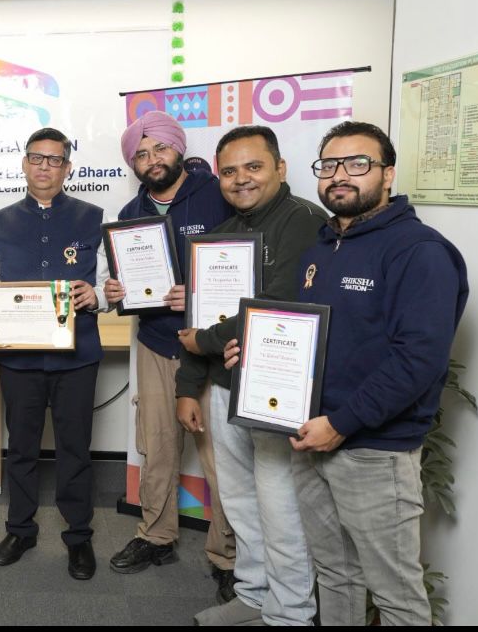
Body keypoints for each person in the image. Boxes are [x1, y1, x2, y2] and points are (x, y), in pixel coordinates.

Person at [289, 121, 468, 625]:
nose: (340, 175)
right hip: (311, 438)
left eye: (357, 163)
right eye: (329, 165)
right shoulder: (321, 249)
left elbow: (418, 359)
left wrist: (341, 423)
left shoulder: (420, 251)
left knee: (396, 596)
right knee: (335, 575)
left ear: (387, 175)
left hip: (373, 450)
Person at [175, 126, 328, 626]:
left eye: (254, 167)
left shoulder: (304, 220)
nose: (241, 179)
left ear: (280, 168)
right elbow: (199, 318)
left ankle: (290, 613)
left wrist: (205, 340)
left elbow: (279, 305)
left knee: (280, 507)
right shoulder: (221, 234)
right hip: (224, 389)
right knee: (239, 501)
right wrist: (188, 386)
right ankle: (254, 594)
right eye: (229, 171)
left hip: (274, 391)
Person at [108, 111, 237, 600]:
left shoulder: (218, 194)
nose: (152, 159)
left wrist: (199, 295)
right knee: (157, 445)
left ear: (178, 148)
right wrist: (117, 292)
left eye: (159, 148)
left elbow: (244, 266)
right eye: (141, 154)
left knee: (222, 456)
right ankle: (156, 536)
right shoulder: (129, 214)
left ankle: (227, 556)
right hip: (157, 343)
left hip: (214, 347)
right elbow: (128, 285)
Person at [0, 127, 117, 581]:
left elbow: (112, 283)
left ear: (67, 168)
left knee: (74, 448)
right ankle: (20, 530)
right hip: (18, 357)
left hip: (77, 356)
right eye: (37, 158)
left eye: (55, 160)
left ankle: (78, 536)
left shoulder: (94, 218)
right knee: (21, 448)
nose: (44, 167)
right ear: (24, 163)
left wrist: (97, 295)